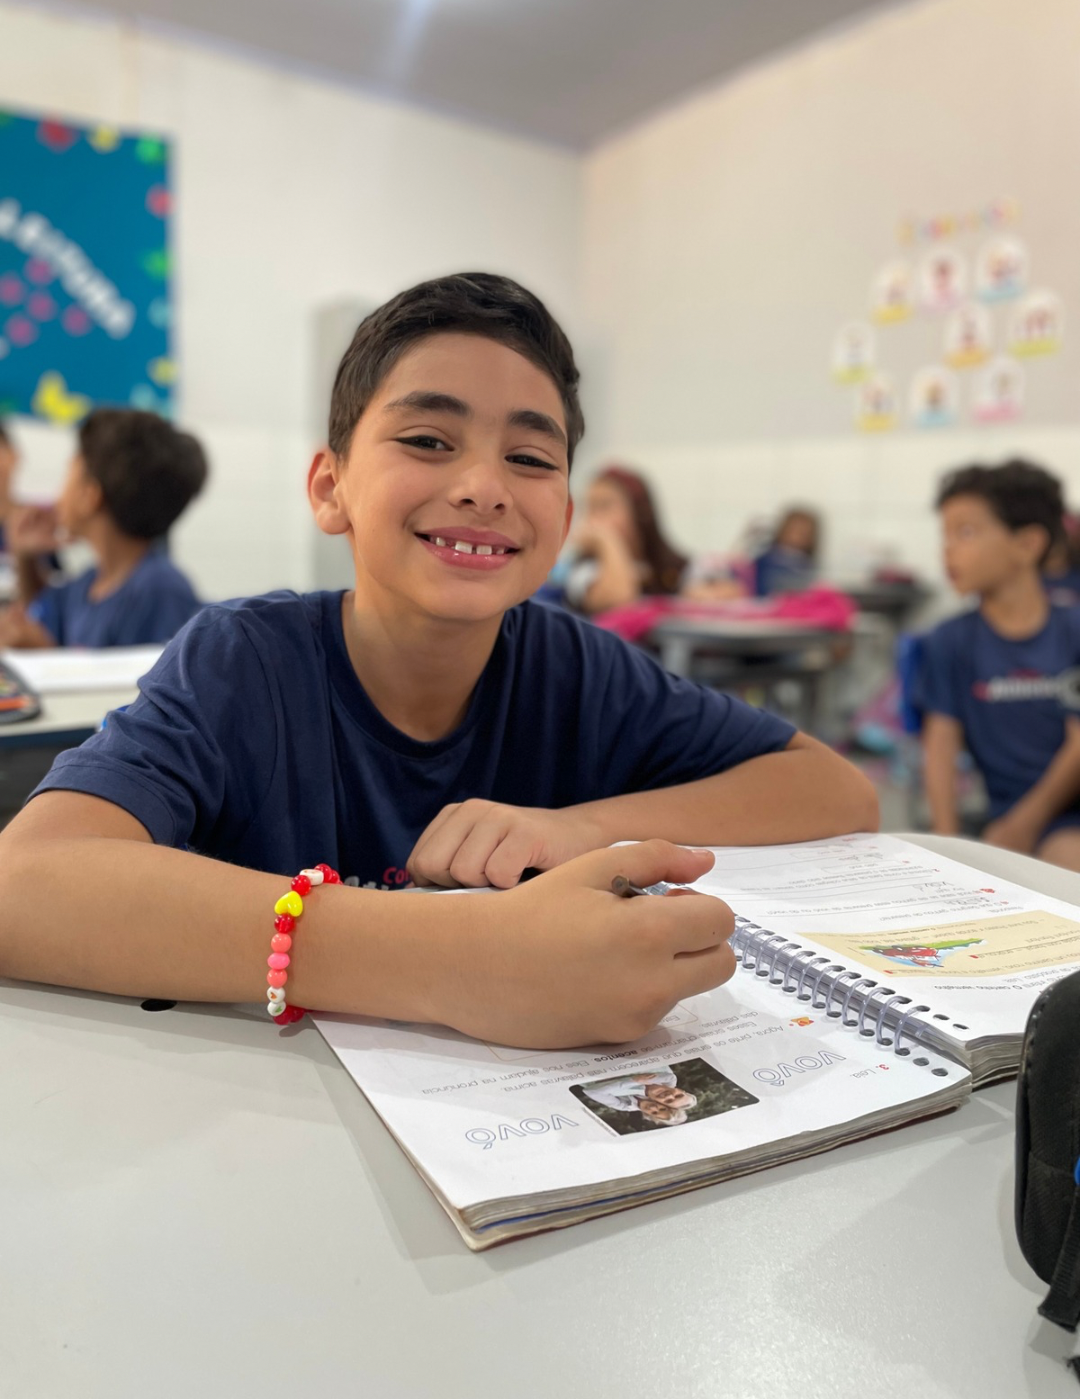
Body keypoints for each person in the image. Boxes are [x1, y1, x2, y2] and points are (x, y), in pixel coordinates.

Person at [0, 273, 877, 1051]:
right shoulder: (242, 662)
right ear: (329, 487)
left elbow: (837, 790)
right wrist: (458, 959)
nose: (484, 486)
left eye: (530, 458)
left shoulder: (577, 667)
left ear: (564, 519)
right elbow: (25, 884)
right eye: (427, 440)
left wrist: (583, 828)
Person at [921, 460, 1080, 872]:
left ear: (1027, 544)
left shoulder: (1072, 630)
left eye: (966, 532)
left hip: (1052, 815)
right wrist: (945, 844)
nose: (948, 549)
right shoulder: (949, 641)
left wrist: (1023, 824)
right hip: (1020, 820)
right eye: (945, 535)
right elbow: (941, 742)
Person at [0, 408, 207, 649]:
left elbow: (148, 683)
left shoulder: (161, 591)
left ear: (90, 496)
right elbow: (42, 610)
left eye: (70, 470)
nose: (59, 490)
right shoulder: (90, 583)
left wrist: (46, 653)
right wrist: (25, 557)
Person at [564, 466, 688, 614]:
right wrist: (606, 541)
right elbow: (617, 601)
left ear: (639, 510)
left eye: (604, 506)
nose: (593, 518)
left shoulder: (678, 568)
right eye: (590, 508)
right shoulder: (582, 570)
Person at [752, 507, 820, 597]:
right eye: (793, 531)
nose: (797, 537)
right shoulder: (766, 560)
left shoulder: (808, 565)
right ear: (782, 530)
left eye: (803, 533)